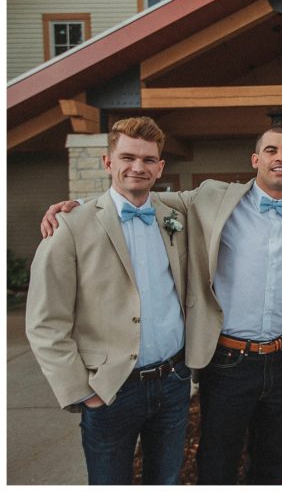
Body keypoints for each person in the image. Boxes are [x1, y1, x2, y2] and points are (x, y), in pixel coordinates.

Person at [39, 125, 282, 485]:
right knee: (215, 464)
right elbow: (46, 322)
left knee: (269, 464)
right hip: (211, 364)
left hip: (253, 364)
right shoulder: (213, 198)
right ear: (255, 159)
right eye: (272, 150)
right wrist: (82, 392)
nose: (280, 157)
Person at [27, 117, 190, 485]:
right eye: (128, 157)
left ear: (160, 166)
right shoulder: (69, 226)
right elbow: (45, 322)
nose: (138, 167)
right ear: (107, 162)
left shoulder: (174, 217)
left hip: (172, 382)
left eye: (149, 160)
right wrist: (85, 393)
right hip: (111, 391)